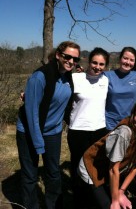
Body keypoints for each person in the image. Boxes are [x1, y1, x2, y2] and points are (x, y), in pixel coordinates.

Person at [16, 41, 81, 209]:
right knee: (30, 175)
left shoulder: (69, 77)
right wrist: (38, 143)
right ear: (58, 55)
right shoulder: (40, 77)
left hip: (53, 132)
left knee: (53, 174)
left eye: (75, 59)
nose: (71, 61)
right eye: (67, 57)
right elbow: (31, 114)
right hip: (29, 131)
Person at [77, 97, 136, 209]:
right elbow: (113, 170)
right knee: (107, 205)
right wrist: (115, 201)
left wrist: (121, 191)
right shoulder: (124, 133)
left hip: (114, 169)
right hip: (93, 168)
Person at [66, 47, 110, 208]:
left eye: (101, 64)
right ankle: (79, 201)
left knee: (96, 169)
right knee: (78, 169)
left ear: (105, 66)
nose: (97, 67)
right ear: (88, 61)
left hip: (99, 130)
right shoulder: (76, 78)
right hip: (78, 130)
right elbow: (55, 87)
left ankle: (94, 201)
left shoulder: (106, 80)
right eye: (94, 62)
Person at [104, 47, 136, 131]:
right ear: (120, 58)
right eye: (125, 58)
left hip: (131, 122)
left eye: (131, 60)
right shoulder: (107, 76)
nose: (128, 62)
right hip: (110, 123)